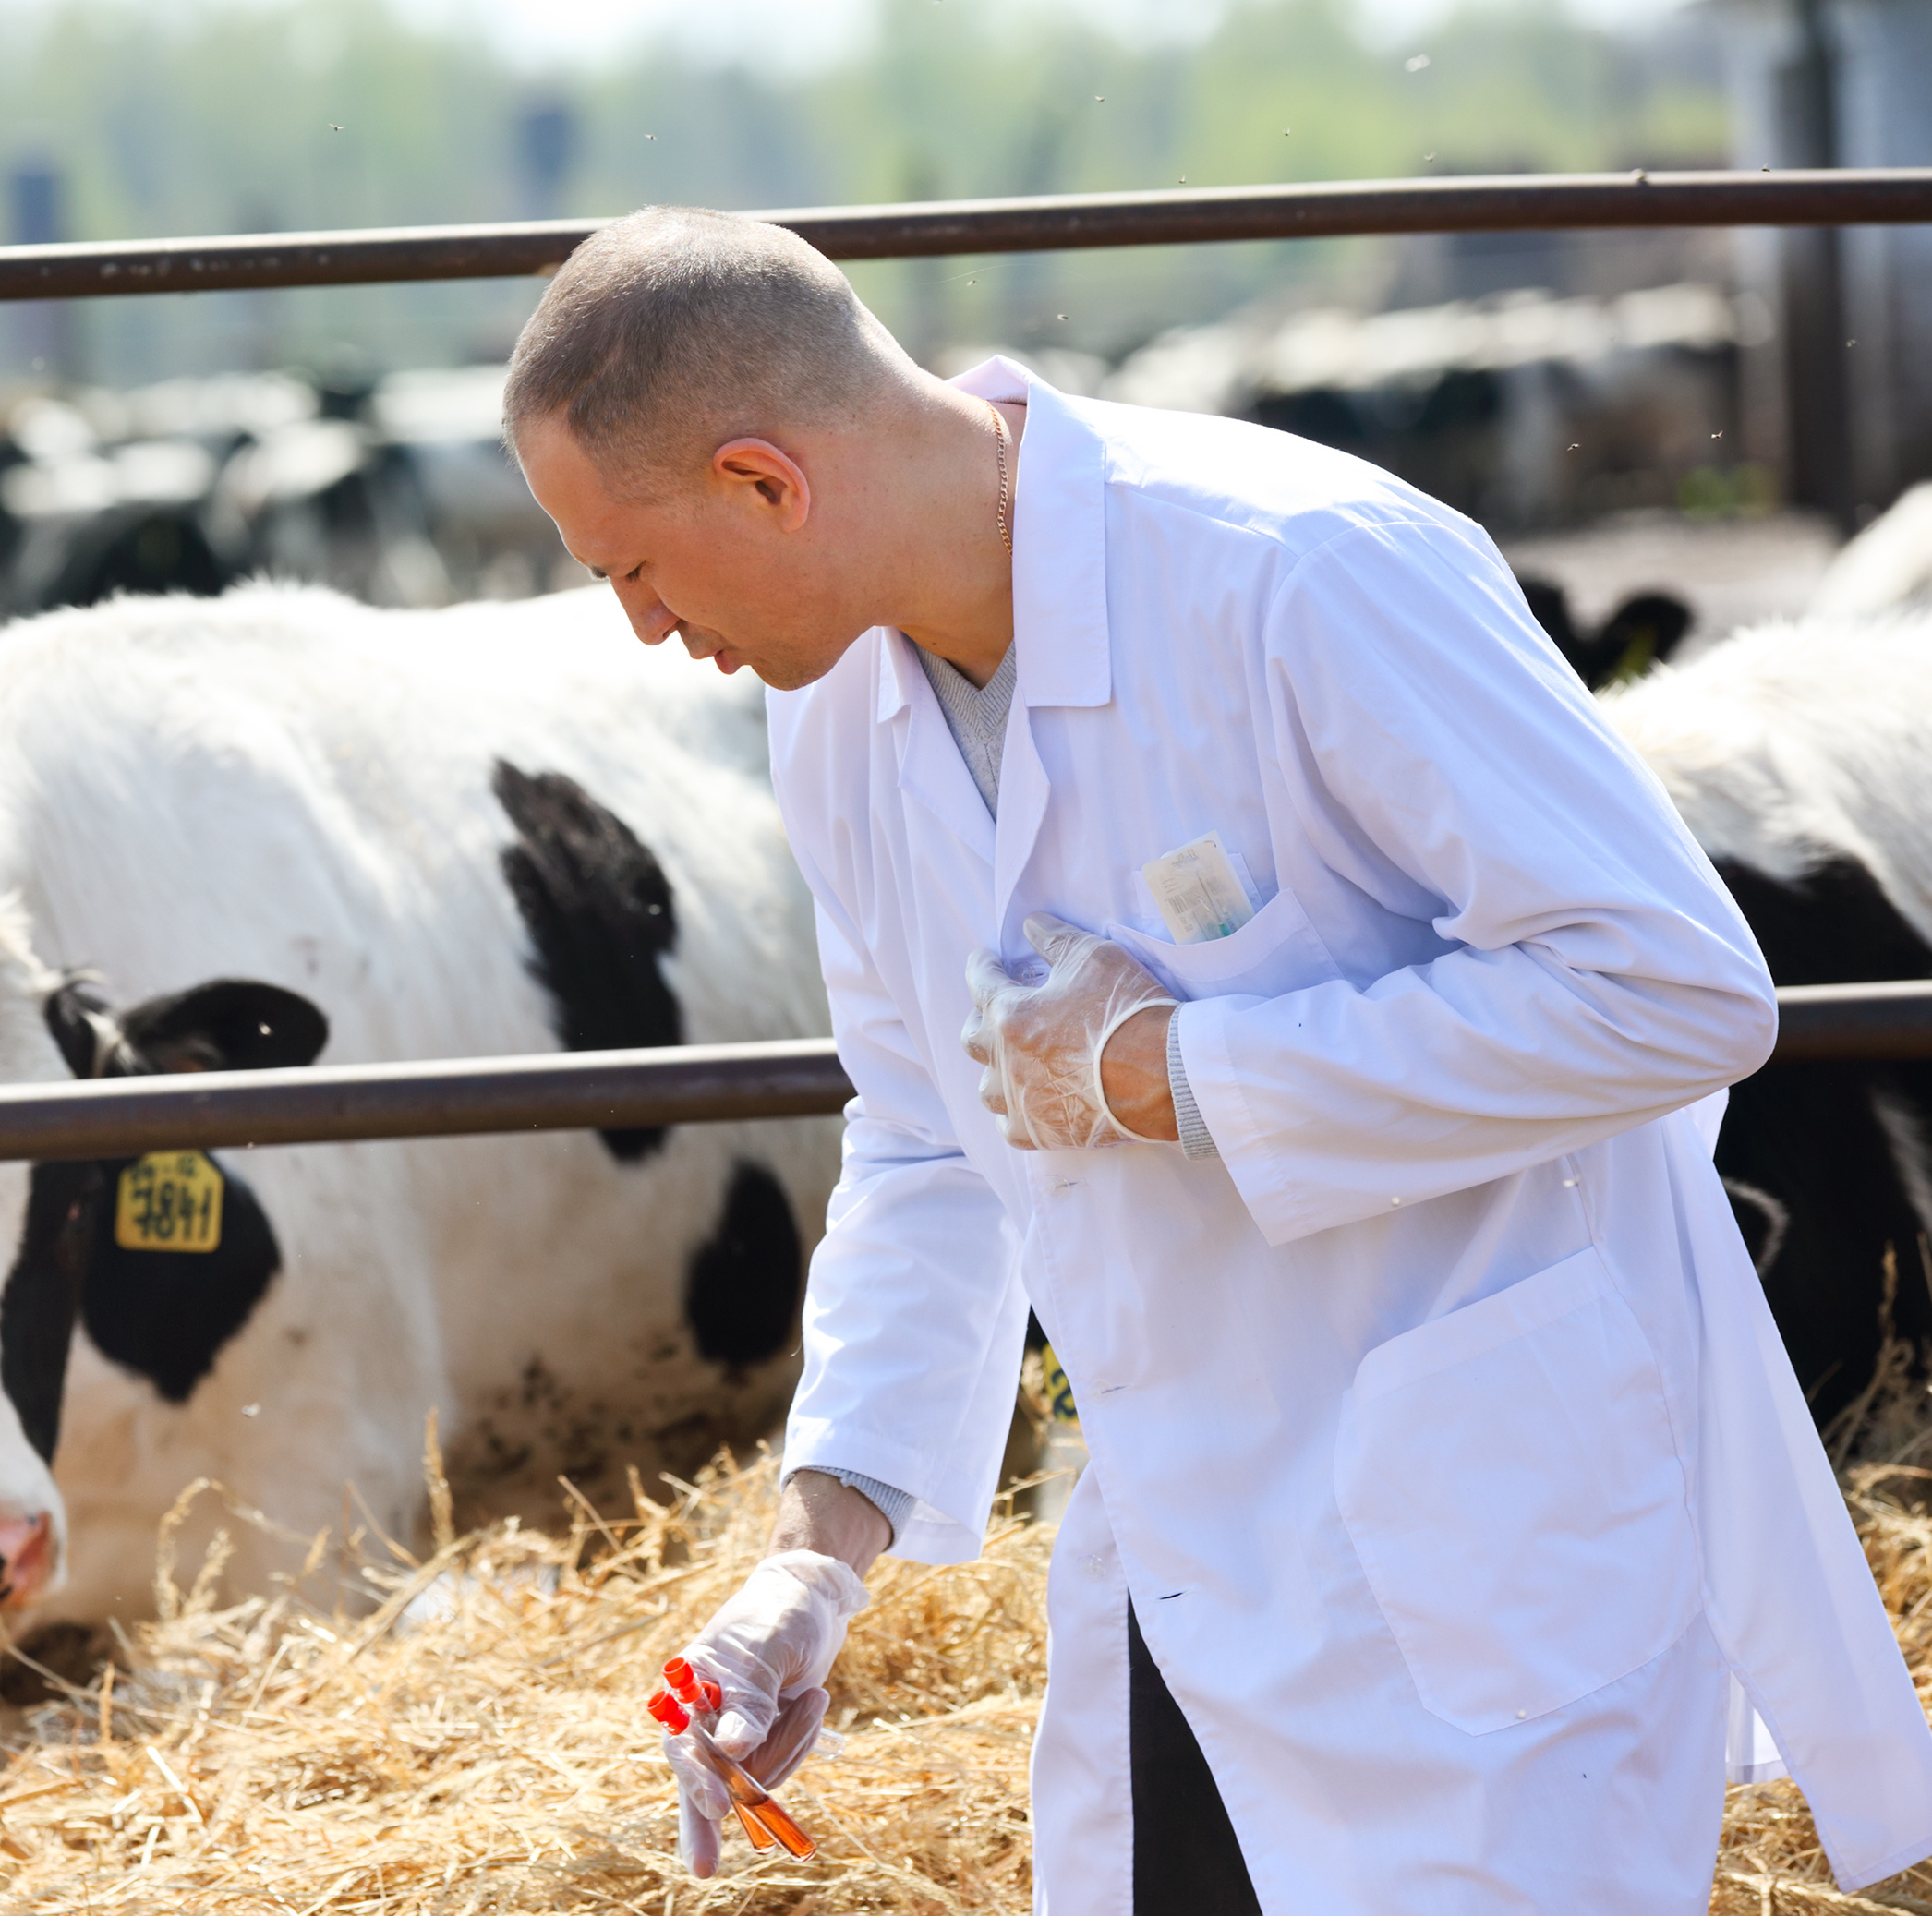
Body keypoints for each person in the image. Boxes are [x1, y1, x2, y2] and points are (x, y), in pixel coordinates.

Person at [504, 205, 1932, 1913]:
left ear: (764, 481)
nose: (645, 630)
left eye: (632, 571)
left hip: (1482, 1542)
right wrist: (821, 1555)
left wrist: (1179, 1075)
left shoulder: (1304, 568)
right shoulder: (835, 710)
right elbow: (928, 1134)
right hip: (1183, 1559)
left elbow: (1674, 986)